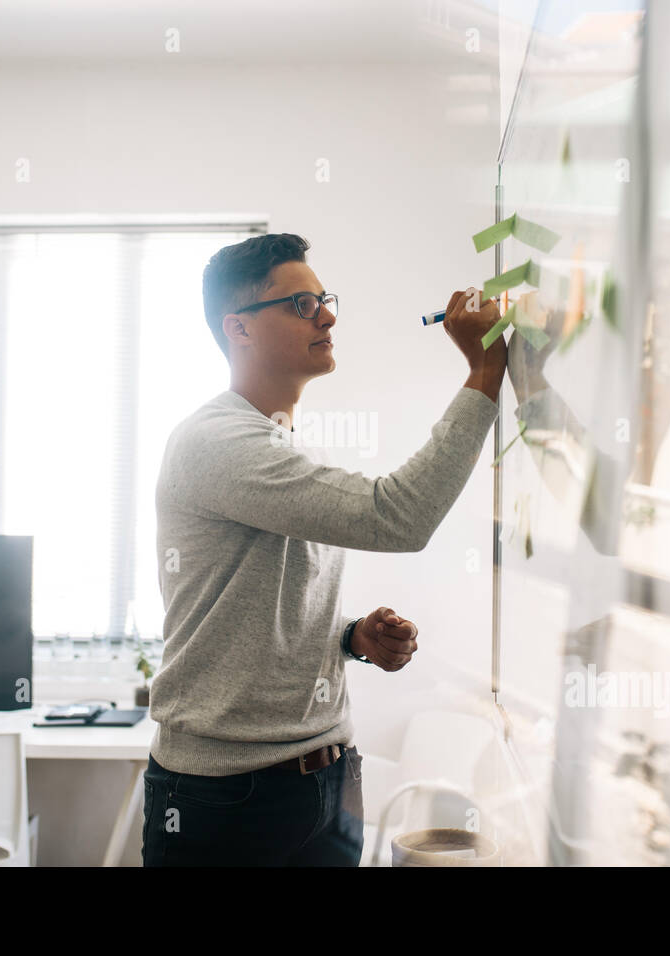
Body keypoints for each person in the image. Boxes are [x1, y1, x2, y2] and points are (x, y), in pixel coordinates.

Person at [142, 233, 507, 865]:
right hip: (228, 796)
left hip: (329, 778)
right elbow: (399, 518)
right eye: (302, 305)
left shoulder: (289, 446)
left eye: (324, 301)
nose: (328, 316)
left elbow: (256, 605)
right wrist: (482, 374)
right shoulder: (217, 443)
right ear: (239, 329)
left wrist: (349, 636)